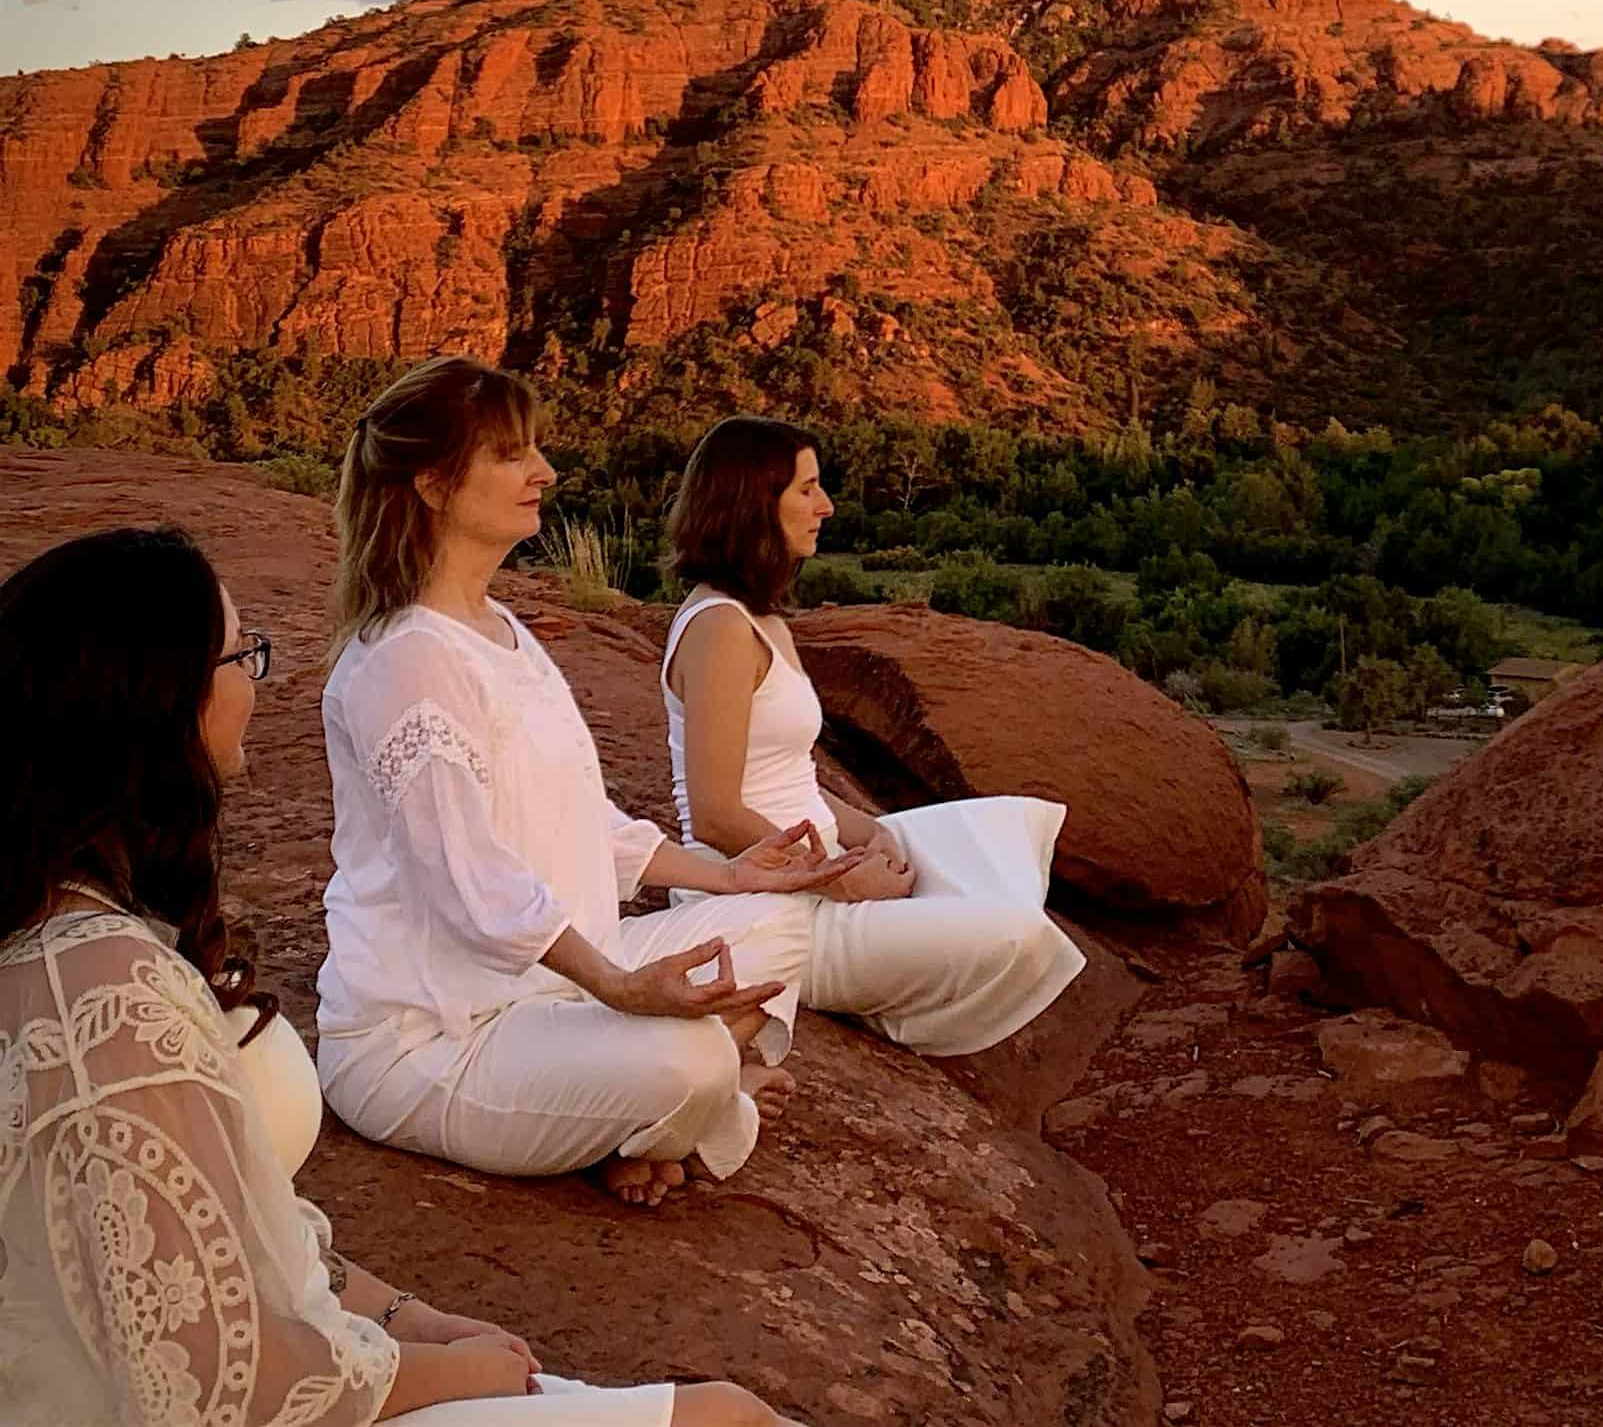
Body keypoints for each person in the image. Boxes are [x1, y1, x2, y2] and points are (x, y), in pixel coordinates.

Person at [0, 525, 789, 1424]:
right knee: (729, 1415)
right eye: (240, 656)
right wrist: (446, 1374)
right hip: (303, 1388)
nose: (256, 682)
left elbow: (245, 1225)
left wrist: (413, 1317)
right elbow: (211, 1385)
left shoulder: (83, 926)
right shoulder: (106, 988)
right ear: (155, 700)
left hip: (324, 1343)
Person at [313, 360, 858, 1212]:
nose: (545, 474)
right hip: (437, 1037)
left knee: (774, 926)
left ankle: (623, 1118)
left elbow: (582, 823)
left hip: (548, 987)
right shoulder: (408, 659)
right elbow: (474, 883)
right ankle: (678, 1107)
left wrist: (732, 874)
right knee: (696, 1059)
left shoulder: (499, 630)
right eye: (511, 456)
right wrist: (619, 988)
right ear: (430, 483)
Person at [660, 417, 1085, 1055]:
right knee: (1019, 933)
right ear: (752, 502)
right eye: (806, 489)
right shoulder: (719, 629)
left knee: (1009, 825)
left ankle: (892, 951)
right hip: (769, 898)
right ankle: (882, 998)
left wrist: (870, 832)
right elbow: (718, 814)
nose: (825, 506)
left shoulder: (760, 618)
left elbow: (788, 775)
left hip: (818, 858)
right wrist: (839, 878)